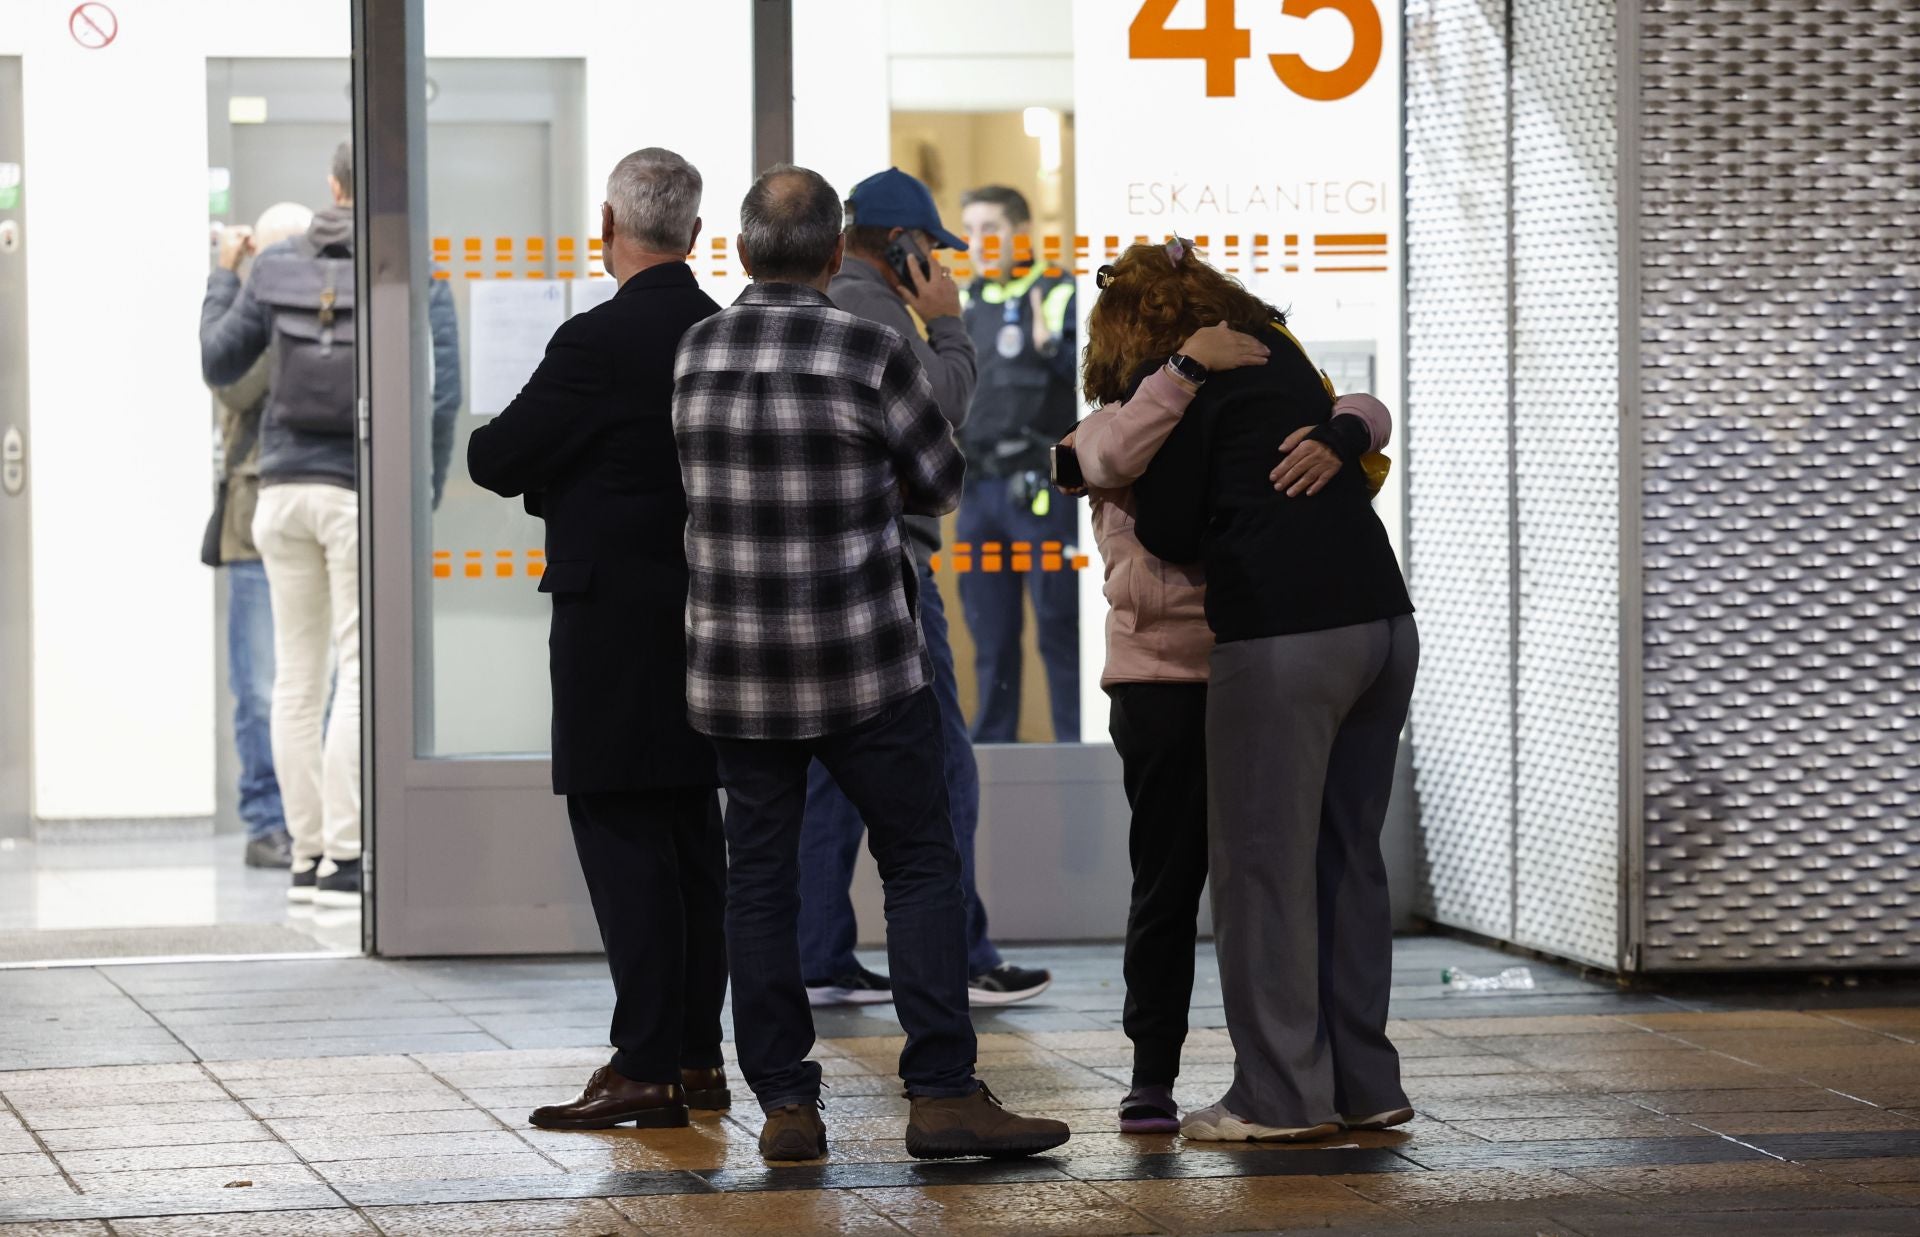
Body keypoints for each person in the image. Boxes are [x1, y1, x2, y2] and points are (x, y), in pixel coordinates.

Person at [672, 164, 1070, 1164]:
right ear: (839, 249)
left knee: (756, 882)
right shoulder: (864, 347)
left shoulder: (697, 351)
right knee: (920, 862)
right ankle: (941, 1094)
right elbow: (937, 480)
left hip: (738, 667)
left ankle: (786, 1106)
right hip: (860, 657)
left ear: (741, 249)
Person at [1093, 238, 1415, 1142]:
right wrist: (1344, 430)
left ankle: (1278, 1097)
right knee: (1347, 857)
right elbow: (1363, 407)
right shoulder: (1289, 371)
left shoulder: (1184, 394)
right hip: (1383, 622)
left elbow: (1163, 519)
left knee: (1261, 874)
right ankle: (1365, 1082)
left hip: (1282, 638)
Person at [468, 147, 729, 1131]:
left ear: (606, 231)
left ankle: (643, 1064)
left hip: (612, 625)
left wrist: (561, 480)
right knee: (695, 842)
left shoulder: (597, 341)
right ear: (697, 237)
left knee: (622, 834)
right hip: (713, 619)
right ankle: (700, 1057)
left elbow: (497, 457)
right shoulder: (719, 330)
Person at [797, 167, 1052, 1009]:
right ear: (901, 246)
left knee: (832, 770)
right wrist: (951, 326)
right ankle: (964, 955)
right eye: (929, 249)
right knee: (944, 763)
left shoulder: (824, 305)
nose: (939, 265)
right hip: (892, 568)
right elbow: (939, 418)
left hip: (827, 570)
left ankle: (822, 953)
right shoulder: (874, 310)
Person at [199, 140, 459, 908]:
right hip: (355, 493)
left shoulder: (277, 265)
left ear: (332, 186)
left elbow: (218, 360)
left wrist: (223, 269)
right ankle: (346, 851)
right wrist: (423, 494)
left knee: (297, 678)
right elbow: (439, 395)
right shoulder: (413, 269)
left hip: (279, 492)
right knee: (358, 667)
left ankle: (306, 850)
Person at [201, 202, 312, 870]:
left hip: (296, 506)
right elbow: (230, 383)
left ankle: (309, 813)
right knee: (261, 683)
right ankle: (267, 820)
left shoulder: (301, 313)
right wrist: (233, 282)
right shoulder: (257, 316)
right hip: (251, 521)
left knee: (311, 679)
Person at [955, 185, 1081, 742]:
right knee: (991, 637)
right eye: (971, 231)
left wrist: (1051, 344)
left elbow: (1096, 388)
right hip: (978, 492)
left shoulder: (1056, 292)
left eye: (991, 229)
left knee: (1059, 628)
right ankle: (993, 760)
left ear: (1021, 233)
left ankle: (1078, 750)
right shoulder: (964, 301)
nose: (978, 243)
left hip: (1041, 492)